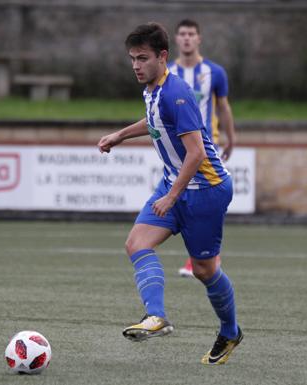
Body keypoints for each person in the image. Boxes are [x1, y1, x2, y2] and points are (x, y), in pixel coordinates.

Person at [98, 22, 242, 365]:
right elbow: (154, 122)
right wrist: (119, 135)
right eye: (132, 58)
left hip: (206, 190)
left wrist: (172, 197)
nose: (136, 65)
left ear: (163, 57)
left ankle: (230, 330)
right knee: (136, 243)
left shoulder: (177, 93)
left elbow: (196, 154)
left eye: (143, 58)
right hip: (175, 184)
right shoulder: (152, 90)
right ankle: (156, 317)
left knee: (205, 271)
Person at [169, 19, 236, 278]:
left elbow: (223, 107)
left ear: (199, 39)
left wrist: (232, 137)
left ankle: (204, 257)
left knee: (205, 199)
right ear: (176, 39)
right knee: (184, 199)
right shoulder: (169, 73)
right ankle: (203, 256)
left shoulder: (214, 73)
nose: (186, 38)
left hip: (208, 146)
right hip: (178, 148)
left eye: (191, 34)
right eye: (182, 34)